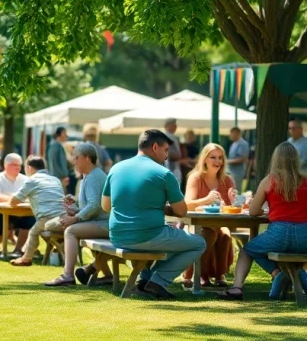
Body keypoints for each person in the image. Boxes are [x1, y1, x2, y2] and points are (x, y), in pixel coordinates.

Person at [102, 129, 206, 299]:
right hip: (147, 235)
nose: (167, 156)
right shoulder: (164, 174)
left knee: (172, 240)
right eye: (166, 150)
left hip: (117, 236)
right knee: (199, 243)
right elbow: (181, 211)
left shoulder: (116, 168)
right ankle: (158, 282)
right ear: (155, 147)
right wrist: (163, 207)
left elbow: (106, 206)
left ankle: (147, 279)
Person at [220, 142, 307, 301]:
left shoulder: (269, 181)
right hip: (304, 234)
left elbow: (253, 211)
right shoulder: (305, 180)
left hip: (279, 233)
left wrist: (266, 210)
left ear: (275, 159)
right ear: (296, 159)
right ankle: (298, 275)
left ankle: (238, 287)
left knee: (248, 250)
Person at [44, 143, 112, 286]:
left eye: (76, 158)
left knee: (71, 231)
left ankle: (68, 275)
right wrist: (74, 208)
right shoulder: (91, 175)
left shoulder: (93, 177)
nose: (73, 162)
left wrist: (75, 218)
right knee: (71, 229)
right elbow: (92, 206)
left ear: (87, 158)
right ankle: (108, 276)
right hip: (103, 222)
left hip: (105, 224)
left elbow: (94, 205)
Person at [181, 143, 237, 288]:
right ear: (204, 159)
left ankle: (220, 275)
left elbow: (231, 208)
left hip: (219, 223)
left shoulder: (227, 179)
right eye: (213, 157)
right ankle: (200, 274)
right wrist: (206, 200)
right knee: (209, 235)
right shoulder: (195, 178)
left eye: (220, 158)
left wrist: (233, 201)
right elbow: (187, 204)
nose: (217, 161)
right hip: (198, 224)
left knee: (225, 235)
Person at [9, 156, 66, 266]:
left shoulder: (32, 180)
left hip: (48, 217)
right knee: (38, 230)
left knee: (33, 232)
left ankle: (26, 258)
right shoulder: (55, 179)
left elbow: (13, 201)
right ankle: (53, 254)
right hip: (64, 216)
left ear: (29, 168)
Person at [0, 153, 35, 257]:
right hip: (2, 212)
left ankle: (18, 250)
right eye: (14, 165)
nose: (18, 167)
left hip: (21, 213)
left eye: (19, 165)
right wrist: (15, 199)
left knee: (30, 219)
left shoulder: (25, 179)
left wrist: (15, 199)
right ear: (6, 165)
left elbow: (31, 196)